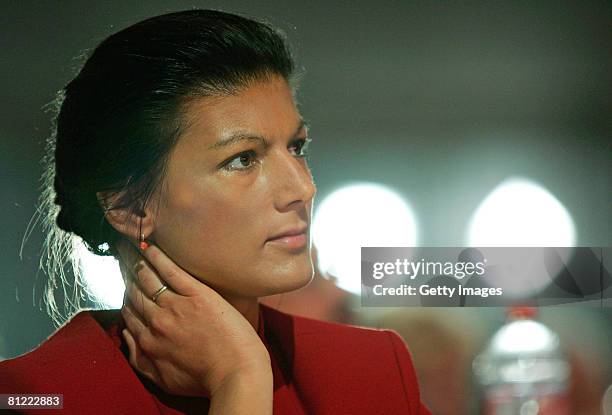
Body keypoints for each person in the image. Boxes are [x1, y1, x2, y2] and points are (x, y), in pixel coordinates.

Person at [0, 9, 431, 414]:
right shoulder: (33, 395)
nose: (303, 187)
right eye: (243, 159)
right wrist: (240, 379)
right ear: (128, 206)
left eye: (296, 147)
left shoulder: (370, 371)